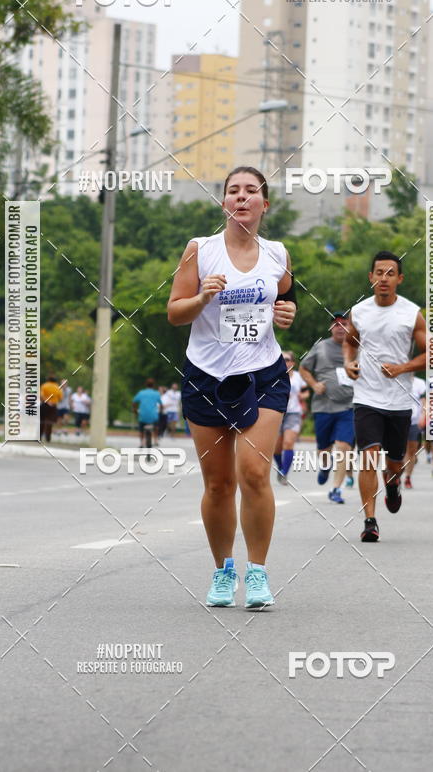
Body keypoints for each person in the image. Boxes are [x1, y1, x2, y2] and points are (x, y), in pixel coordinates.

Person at [167, 166, 296, 609]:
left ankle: (257, 573)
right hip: (206, 374)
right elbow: (174, 312)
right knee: (219, 484)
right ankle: (224, 572)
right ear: (223, 202)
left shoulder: (278, 253)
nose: (241, 198)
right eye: (232, 191)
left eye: (250, 191)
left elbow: (283, 296)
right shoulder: (200, 251)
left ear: (265, 204)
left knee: (254, 472)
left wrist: (285, 314)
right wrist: (202, 298)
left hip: (263, 373)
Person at [343, 251, 426, 542]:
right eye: (379, 273)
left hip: (399, 400)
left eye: (390, 273)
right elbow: (349, 341)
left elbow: (432, 354)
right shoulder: (360, 311)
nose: (384, 278)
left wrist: (403, 367)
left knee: (393, 463)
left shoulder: (411, 313)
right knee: (367, 458)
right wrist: (348, 361)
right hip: (367, 397)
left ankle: (393, 484)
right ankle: (369, 520)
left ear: (399, 279)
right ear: (371, 277)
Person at [299, 313, 355, 504]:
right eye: (336, 324)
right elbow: (303, 368)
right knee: (324, 449)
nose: (340, 327)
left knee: (344, 446)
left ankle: (336, 489)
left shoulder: (357, 348)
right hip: (323, 405)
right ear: (331, 328)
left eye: (344, 324)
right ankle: (324, 466)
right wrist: (314, 385)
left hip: (348, 405)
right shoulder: (320, 346)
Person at [274, 351, 309, 485]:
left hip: (294, 413)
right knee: (276, 448)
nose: (284, 362)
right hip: (277, 413)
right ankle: (281, 466)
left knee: (288, 443)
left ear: (293, 363)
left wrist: (302, 397)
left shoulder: (298, 377)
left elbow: (306, 393)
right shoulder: (274, 376)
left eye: (287, 359)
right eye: (281, 359)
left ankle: (284, 472)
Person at [401, 377, 426, 489]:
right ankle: (396, 476)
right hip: (399, 420)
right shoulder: (397, 379)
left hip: (414, 421)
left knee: (411, 451)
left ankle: (408, 477)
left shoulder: (420, 383)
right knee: (399, 451)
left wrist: (423, 416)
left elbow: (424, 401)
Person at [132, 379, 162, 447]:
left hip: (143, 416)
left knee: (141, 428)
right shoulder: (156, 393)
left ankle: (141, 443)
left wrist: (135, 410)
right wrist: (160, 411)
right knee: (156, 426)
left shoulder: (141, 393)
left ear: (145, 385)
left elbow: (134, 402)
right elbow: (161, 405)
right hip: (153, 416)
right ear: (153, 385)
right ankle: (156, 440)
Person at [39, 376, 63, 442]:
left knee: (42, 421)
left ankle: (40, 436)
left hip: (45, 404)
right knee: (50, 422)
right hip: (53, 406)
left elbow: (41, 395)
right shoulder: (58, 387)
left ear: (48, 380)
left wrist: (46, 401)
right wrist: (53, 402)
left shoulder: (44, 385)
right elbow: (60, 398)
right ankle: (48, 438)